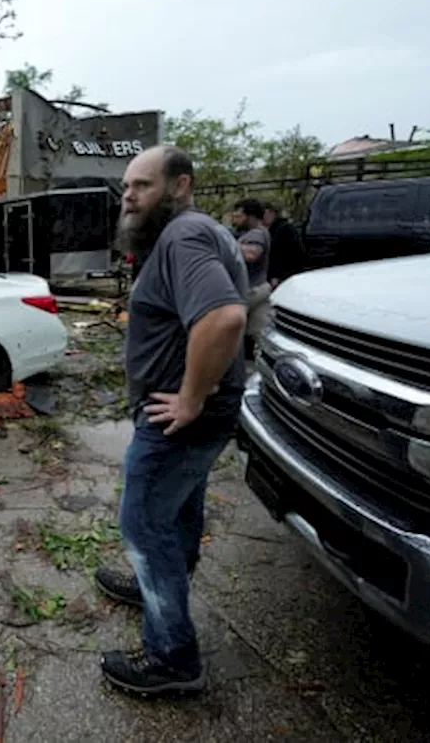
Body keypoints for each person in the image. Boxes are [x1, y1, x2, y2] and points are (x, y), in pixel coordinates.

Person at [96, 145, 248, 695]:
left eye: (142, 185)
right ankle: (155, 584)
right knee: (178, 514)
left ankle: (171, 659)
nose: (128, 197)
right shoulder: (203, 233)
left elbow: (225, 317)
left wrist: (190, 396)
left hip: (180, 420)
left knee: (142, 525)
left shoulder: (184, 236)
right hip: (203, 416)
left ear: (179, 186)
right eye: (126, 187)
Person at [230, 198, 272, 358]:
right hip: (258, 289)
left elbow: (252, 254)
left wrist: (225, 243)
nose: (235, 218)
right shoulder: (246, 233)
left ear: (251, 216)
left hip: (251, 290)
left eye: (239, 215)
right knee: (259, 334)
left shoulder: (257, 233)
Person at [262, 202, 306, 289]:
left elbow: (294, 255)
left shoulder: (284, 230)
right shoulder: (266, 231)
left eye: (265, 214)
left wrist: (280, 277)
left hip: (285, 276)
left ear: (272, 213)